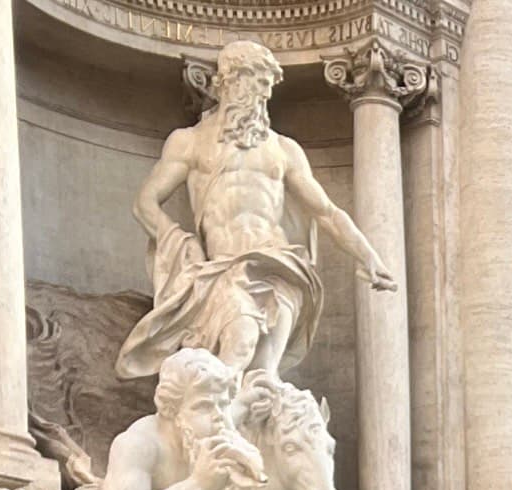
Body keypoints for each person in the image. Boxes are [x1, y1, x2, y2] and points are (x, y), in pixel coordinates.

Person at [116, 40, 395, 384]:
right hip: (226, 269)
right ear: (231, 80)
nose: (265, 94)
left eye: (268, 86)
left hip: (282, 268)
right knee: (238, 348)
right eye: (259, 82)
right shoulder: (190, 142)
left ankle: (254, 430)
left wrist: (368, 257)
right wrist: (181, 242)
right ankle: (202, 427)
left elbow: (326, 211)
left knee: (264, 376)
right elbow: (145, 202)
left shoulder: (284, 150)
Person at [101, 349, 265, 490]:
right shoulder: (139, 444)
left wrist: (245, 403)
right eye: (204, 405)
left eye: (224, 404)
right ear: (171, 410)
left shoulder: (210, 431)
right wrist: (199, 485)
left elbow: (256, 466)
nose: (219, 416)